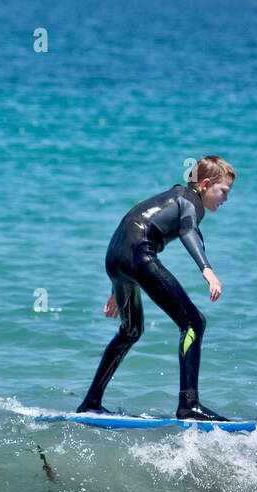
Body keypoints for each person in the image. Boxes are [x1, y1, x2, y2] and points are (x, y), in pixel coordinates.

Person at [77, 156, 235, 421]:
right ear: (206, 184)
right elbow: (188, 232)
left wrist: (120, 281)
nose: (225, 200)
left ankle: (91, 402)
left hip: (117, 257)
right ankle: (189, 405)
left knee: (130, 331)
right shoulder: (191, 203)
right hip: (137, 255)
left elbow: (129, 230)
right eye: (224, 192)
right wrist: (206, 268)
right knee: (194, 322)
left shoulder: (173, 196)